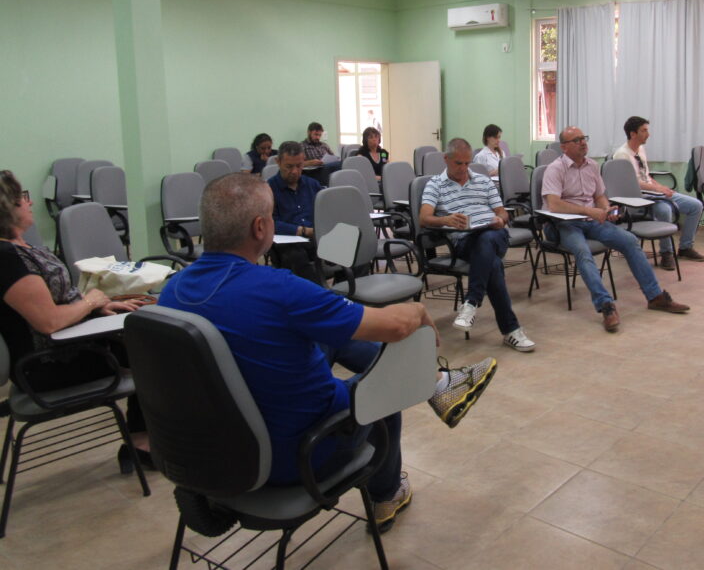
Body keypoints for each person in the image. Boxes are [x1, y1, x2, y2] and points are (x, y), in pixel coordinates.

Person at [158, 173, 496, 531]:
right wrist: (416, 310)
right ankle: (388, 493)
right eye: (272, 216)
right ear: (260, 227)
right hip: (300, 454)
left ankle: (438, 382)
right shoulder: (280, 290)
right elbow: (394, 326)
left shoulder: (172, 291)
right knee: (384, 390)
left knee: (333, 334)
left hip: (222, 453)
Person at [0, 170, 150, 472]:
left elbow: (59, 302)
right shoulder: (6, 257)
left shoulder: (20, 247)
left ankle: (141, 440)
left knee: (145, 336)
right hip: (46, 364)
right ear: (8, 208)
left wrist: (101, 306)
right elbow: (49, 321)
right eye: (23, 198)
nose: (30, 202)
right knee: (150, 354)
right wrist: (91, 301)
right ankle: (140, 443)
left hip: (69, 344)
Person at [542, 127, 690, 332]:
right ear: (564, 147)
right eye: (576, 140)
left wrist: (605, 209)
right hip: (562, 224)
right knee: (583, 251)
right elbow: (554, 204)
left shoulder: (591, 165)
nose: (583, 142)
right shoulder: (555, 169)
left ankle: (655, 296)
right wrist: (590, 211)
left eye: (584, 138)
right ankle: (606, 305)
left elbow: (599, 195)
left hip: (591, 220)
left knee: (630, 240)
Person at [420, 139, 535, 352]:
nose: (464, 168)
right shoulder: (435, 184)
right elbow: (424, 218)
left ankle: (472, 302)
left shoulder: (483, 181)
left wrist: (500, 220)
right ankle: (511, 330)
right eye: (458, 163)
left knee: (488, 238)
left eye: (467, 163)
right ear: (446, 159)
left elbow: (502, 213)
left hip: (495, 234)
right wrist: (446, 220)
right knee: (493, 264)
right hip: (464, 241)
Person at [612, 116, 704, 270]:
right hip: (639, 197)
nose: (648, 134)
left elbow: (646, 176)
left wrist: (662, 187)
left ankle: (685, 247)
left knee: (696, 206)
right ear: (633, 134)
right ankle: (666, 253)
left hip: (654, 193)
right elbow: (631, 183)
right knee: (665, 210)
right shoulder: (622, 154)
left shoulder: (640, 150)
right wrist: (657, 189)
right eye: (644, 131)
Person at [266, 141, 322, 279]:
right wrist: (302, 230)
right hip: (288, 242)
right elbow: (269, 222)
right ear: (278, 162)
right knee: (296, 257)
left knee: (351, 246)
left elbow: (326, 212)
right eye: (289, 166)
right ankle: (317, 291)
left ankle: (342, 287)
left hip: (315, 238)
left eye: (299, 165)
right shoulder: (268, 189)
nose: (295, 171)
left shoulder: (312, 185)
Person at [301, 122, 342, 186]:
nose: (318, 137)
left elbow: (334, 158)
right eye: (315, 134)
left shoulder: (324, 145)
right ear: (309, 132)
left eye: (319, 135)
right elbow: (298, 164)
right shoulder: (302, 146)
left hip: (327, 168)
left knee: (342, 163)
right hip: (314, 172)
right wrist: (310, 162)